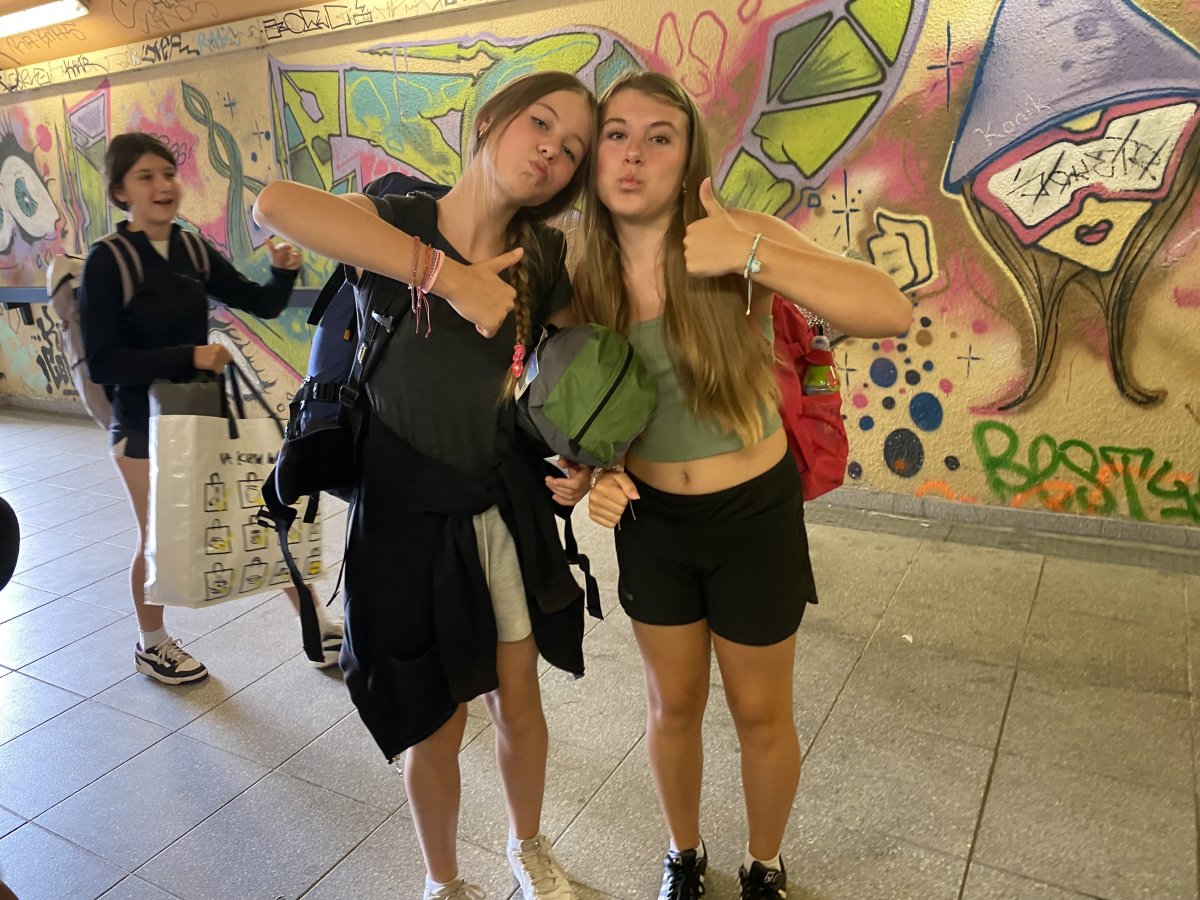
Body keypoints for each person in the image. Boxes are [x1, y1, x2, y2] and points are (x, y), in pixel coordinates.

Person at [252, 71, 596, 900]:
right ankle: (444, 884)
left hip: (497, 503)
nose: (552, 150)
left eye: (572, 148)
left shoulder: (545, 258)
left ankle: (527, 849)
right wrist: (445, 275)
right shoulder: (399, 218)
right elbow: (275, 205)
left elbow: (577, 367)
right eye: (540, 122)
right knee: (432, 722)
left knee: (518, 699)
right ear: (493, 119)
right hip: (401, 514)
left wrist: (588, 455)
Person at [579, 72, 912, 900]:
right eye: (617, 134)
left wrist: (752, 256)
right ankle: (683, 854)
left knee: (761, 712)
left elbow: (888, 309)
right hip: (653, 524)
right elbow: (574, 405)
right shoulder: (581, 273)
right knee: (673, 707)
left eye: (659, 136)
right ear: (594, 155)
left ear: (688, 156)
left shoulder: (737, 237)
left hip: (754, 517)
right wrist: (595, 474)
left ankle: (764, 865)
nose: (634, 153)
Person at [79, 132, 334, 685]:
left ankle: (315, 623)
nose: (163, 185)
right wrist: (188, 355)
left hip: (202, 416)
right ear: (121, 191)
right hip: (142, 425)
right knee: (159, 537)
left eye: (168, 173)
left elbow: (260, 302)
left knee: (260, 517)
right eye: (146, 176)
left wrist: (283, 271)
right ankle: (152, 644)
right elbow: (103, 361)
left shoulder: (191, 250)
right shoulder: (107, 261)